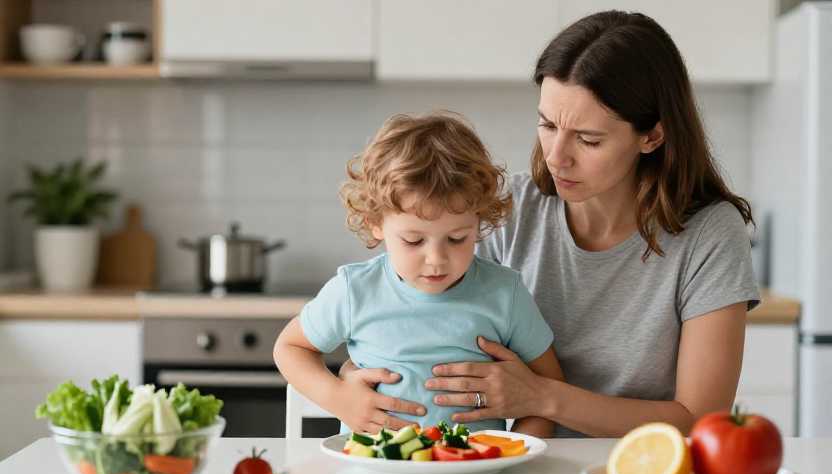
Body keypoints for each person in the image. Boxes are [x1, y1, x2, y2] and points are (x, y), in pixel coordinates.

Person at [337, 10, 760, 438]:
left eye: (588, 139)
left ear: (651, 136)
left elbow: (700, 420)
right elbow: (418, 318)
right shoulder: (510, 210)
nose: (557, 156)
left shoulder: (710, 234)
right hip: (515, 473)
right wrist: (357, 375)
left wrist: (542, 397)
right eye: (547, 124)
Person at [273, 111, 563, 437]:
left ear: (479, 220)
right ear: (375, 222)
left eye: (457, 238)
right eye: (413, 240)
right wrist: (339, 399)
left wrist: (518, 450)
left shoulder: (504, 292)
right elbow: (290, 348)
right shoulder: (355, 290)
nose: (437, 260)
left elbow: (548, 386)